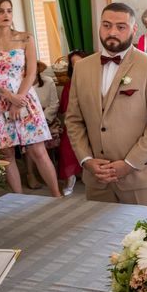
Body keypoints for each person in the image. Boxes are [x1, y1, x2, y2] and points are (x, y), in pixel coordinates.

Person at [65, 2, 147, 206]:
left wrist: (129, 164)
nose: (112, 31)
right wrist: (87, 160)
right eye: (106, 25)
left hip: (140, 178)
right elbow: (73, 120)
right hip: (97, 179)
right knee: (100, 237)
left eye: (121, 27)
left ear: (133, 29)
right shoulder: (82, 68)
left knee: (144, 236)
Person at [0, 0, 61, 197]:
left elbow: (31, 72)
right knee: (7, 154)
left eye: (9, 10)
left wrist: (19, 99)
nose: (6, 15)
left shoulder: (25, 38)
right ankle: (19, 201)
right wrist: (7, 95)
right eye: (0, 11)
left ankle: (57, 196)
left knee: (38, 151)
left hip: (25, 100)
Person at [24, 60, 60, 189]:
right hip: (27, 120)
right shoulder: (20, 84)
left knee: (38, 138)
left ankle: (49, 171)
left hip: (47, 119)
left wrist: (43, 119)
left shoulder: (48, 81)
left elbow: (54, 103)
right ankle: (30, 174)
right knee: (29, 142)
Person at [57, 49, 87, 196]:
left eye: (80, 61)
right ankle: (70, 177)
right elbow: (66, 110)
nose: (77, 65)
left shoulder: (96, 80)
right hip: (75, 122)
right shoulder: (69, 85)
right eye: (74, 63)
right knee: (66, 144)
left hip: (94, 122)